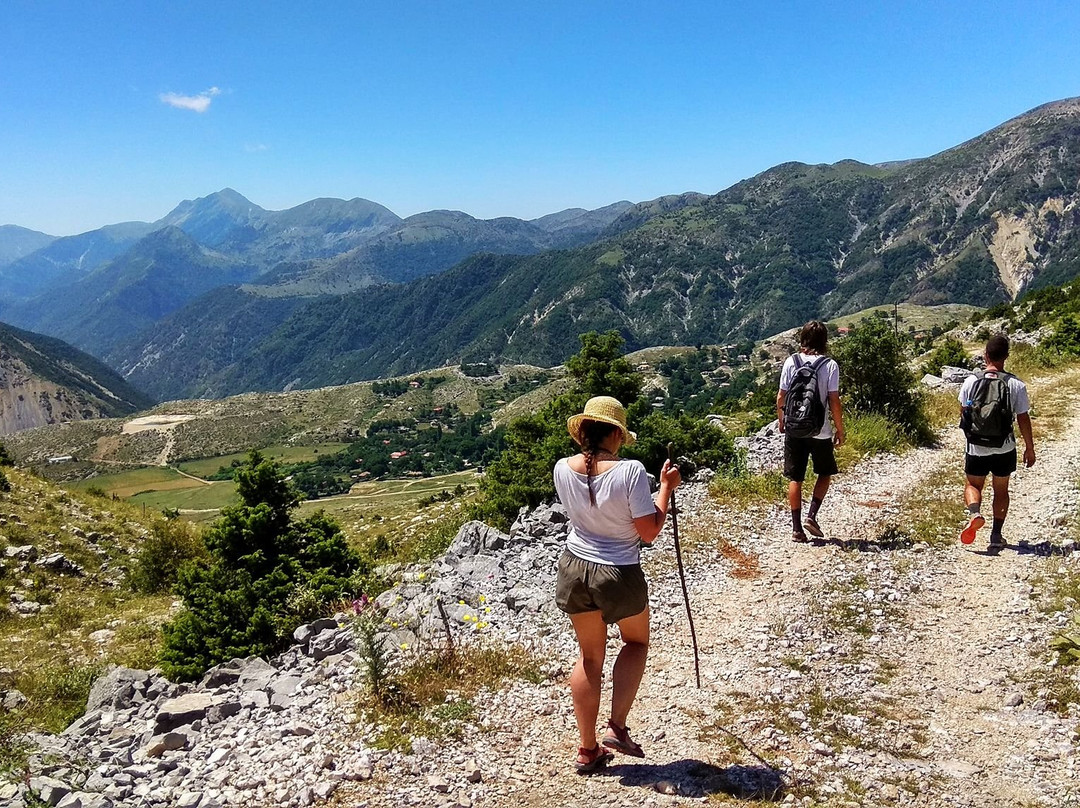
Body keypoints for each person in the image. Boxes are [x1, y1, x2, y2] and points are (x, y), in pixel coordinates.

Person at [553, 395, 681, 773]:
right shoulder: (629, 472)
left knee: (590, 657)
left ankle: (587, 749)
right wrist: (666, 488)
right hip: (618, 570)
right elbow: (649, 532)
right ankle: (618, 727)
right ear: (616, 434)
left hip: (574, 567)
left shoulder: (562, 467)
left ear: (585, 432)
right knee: (636, 642)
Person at [958, 333, 1035, 549]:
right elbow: (1022, 417)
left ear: (985, 356)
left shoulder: (971, 381)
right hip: (1004, 446)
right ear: (1006, 357)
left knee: (973, 484)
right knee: (1001, 490)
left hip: (976, 446)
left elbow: (964, 411)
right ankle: (996, 535)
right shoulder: (1015, 385)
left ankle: (974, 514)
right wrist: (1029, 448)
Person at [776, 320, 845, 542]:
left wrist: (782, 421)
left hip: (794, 428)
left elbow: (781, 396)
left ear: (803, 339)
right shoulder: (830, 365)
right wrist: (839, 429)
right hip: (820, 430)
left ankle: (796, 530)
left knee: (795, 477)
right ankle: (812, 515)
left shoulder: (791, 362)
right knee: (824, 472)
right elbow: (834, 401)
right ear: (824, 341)